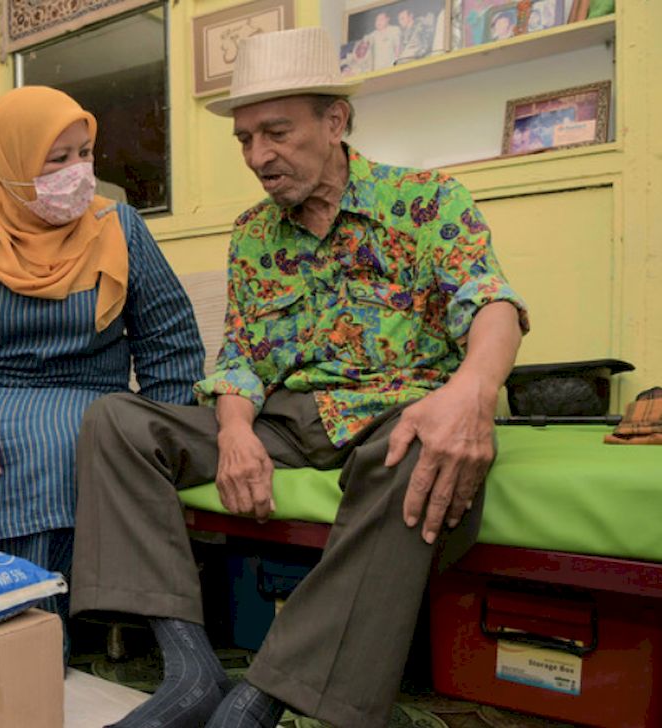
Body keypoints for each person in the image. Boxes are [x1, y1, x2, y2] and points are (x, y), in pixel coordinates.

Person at [69, 27, 529, 728]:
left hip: (395, 411)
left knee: (413, 462)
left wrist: (472, 393)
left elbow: (492, 303)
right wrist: (233, 429)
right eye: (246, 139)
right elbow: (244, 356)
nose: (259, 157)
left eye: (276, 132)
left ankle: (263, 698)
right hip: (291, 414)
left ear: (335, 120)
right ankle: (189, 672)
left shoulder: (428, 202)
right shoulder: (255, 233)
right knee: (115, 421)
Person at [0, 86, 205, 658]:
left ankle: (41, 631)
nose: (78, 173)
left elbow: (169, 338)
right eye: (57, 160)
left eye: (85, 154)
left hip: (90, 394)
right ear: (13, 160)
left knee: (61, 439)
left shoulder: (120, 227)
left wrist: (168, 431)